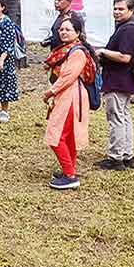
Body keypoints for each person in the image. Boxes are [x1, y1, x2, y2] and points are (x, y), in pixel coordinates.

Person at [42, 18, 95, 190]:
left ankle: (70, 175)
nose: (63, 32)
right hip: (68, 96)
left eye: (68, 30)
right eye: (61, 29)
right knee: (68, 136)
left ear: (77, 33)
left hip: (71, 96)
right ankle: (69, 170)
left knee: (55, 135)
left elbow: (67, 77)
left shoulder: (77, 52)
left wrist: (50, 92)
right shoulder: (67, 50)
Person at [94, 0, 134, 171]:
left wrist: (103, 51)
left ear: (131, 11)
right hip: (125, 79)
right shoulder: (128, 28)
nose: (116, 12)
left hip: (118, 79)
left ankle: (116, 158)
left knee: (116, 118)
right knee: (124, 117)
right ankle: (127, 155)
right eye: (115, 9)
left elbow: (125, 56)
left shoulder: (128, 30)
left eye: (121, 9)